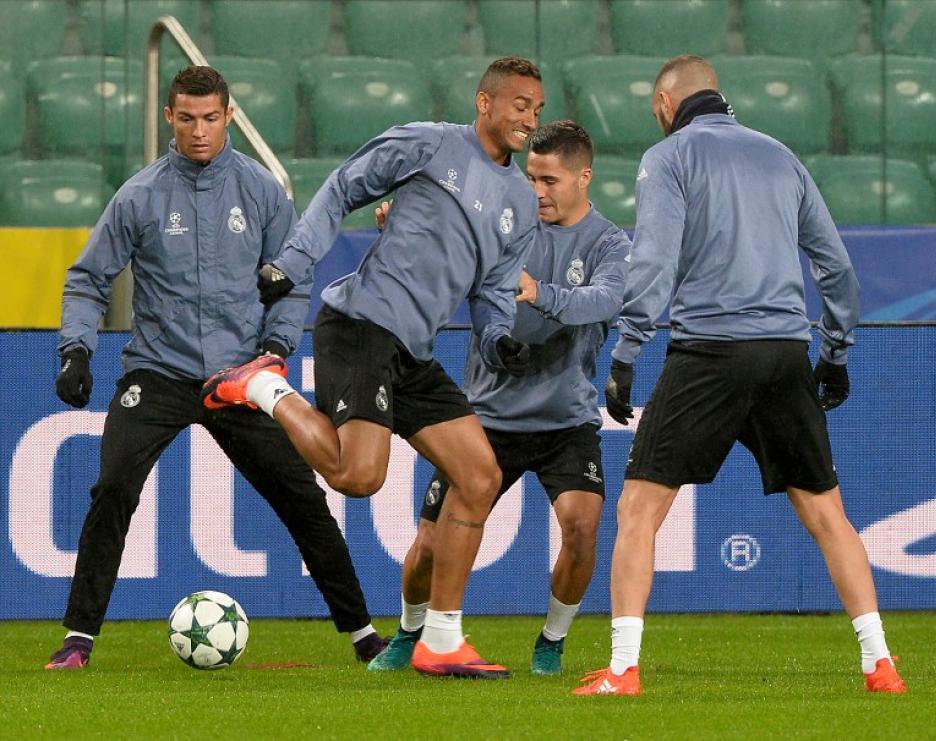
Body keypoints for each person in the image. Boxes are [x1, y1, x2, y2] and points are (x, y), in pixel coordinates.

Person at [572, 55, 906, 696]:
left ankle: (622, 670)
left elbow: (654, 262)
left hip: (709, 353)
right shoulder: (782, 156)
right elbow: (837, 270)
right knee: (829, 516)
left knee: (640, 510)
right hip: (784, 351)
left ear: (666, 105)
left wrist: (626, 352)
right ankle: (880, 663)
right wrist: (834, 352)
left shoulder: (668, 159)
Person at [201, 56, 544, 678]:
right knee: (359, 479)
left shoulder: (520, 199)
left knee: (480, 475)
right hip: (361, 327)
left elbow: (493, 292)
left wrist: (499, 341)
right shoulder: (430, 143)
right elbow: (343, 186)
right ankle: (263, 386)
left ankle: (441, 641)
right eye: (520, 105)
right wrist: (295, 263)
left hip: (412, 351)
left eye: (537, 109)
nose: (530, 118)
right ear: (485, 103)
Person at [46, 66, 386, 670]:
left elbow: (291, 279)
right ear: (170, 118)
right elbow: (88, 278)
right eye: (186, 119)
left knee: (301, 496)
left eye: (210, 118)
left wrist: (277, 349)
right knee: (114, 486)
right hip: (157, 371)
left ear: (228, 117)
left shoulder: (261, 191)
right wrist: (77, 348)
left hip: (241, 376)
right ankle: (78, 639)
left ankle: (363, 636)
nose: (198, 131)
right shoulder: (140, 195)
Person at [365, 120, 630, 676]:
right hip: (484, 417)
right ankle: (411, 631)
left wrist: (542, 293)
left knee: (583, 527)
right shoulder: (503, 225)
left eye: (551, 180)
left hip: (565, 420)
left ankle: (551, 641)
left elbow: (606, 300)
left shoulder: (609, 243)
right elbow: (445, 256)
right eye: (532, 176)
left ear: (585, 177)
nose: (537, 190)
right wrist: (407, 227)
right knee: (430, 547)